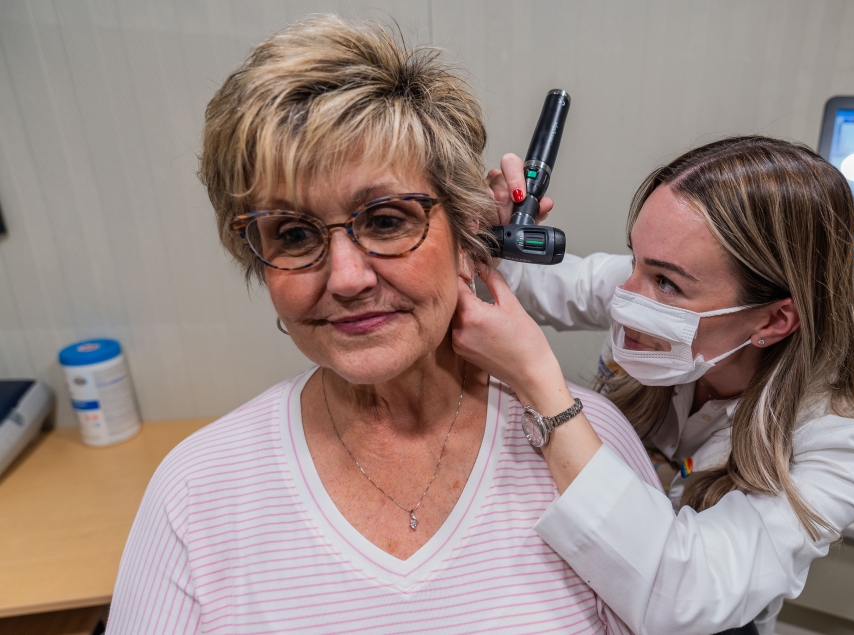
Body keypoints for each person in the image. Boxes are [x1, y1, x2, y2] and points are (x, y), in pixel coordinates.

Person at [107, 16, 659, 634]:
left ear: (469, 229)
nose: (346, 277)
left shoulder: (588, 446)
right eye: (293, 234)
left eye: (388, 220)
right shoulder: (196, 493)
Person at [452, 137, 854, 634]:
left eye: (667, 283)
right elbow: (519, 289)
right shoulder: (646, 292)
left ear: (774, 319)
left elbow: (688, 595)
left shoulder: (852, 442)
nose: (625, 300)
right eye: (636, 259)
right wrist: (490, 239)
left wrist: (540, 385)